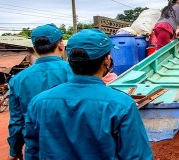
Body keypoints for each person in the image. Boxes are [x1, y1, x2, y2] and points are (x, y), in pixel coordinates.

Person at [24, 29, 153, 160]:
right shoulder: (122, 104)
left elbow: (32, 151)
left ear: (70, 60)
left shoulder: (38, 102)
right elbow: (137, 156)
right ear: (107, 60)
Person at [7, 24, 73, 160]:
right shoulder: (75, 72)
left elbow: (17, 121)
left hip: (37, 148)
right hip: (72, 145)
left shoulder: (18, 79)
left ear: (34, 49)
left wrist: (14, 150)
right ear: (61, 45)